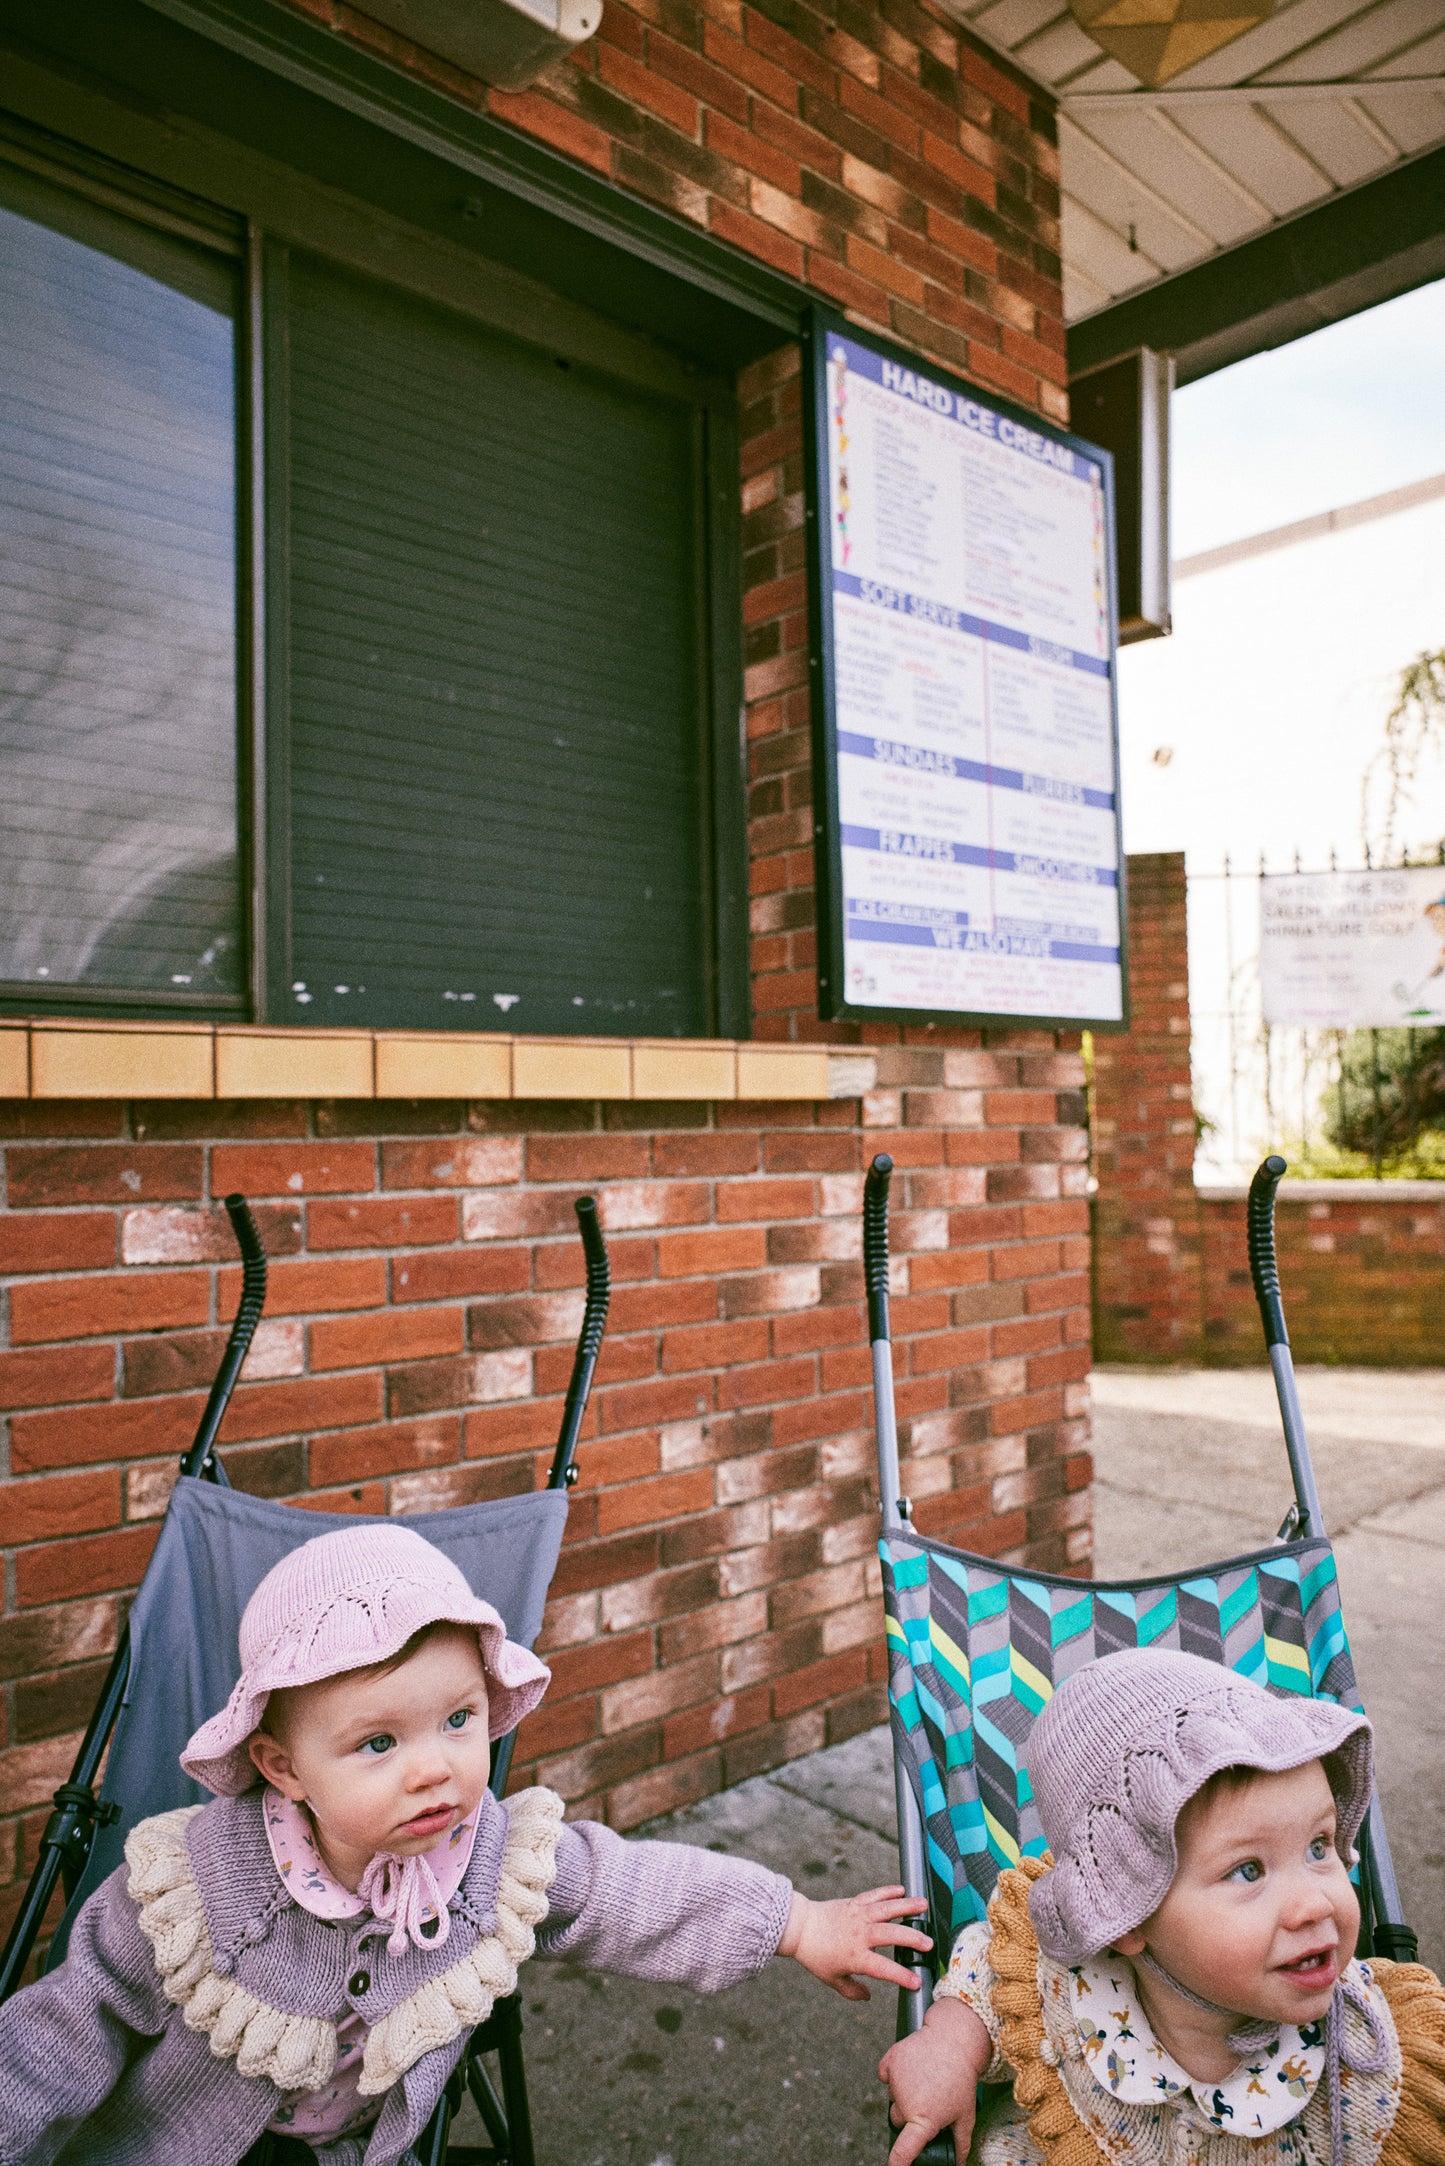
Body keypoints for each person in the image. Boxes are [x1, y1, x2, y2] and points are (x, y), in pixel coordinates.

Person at [0, 1522, 932, 2166]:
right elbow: (66, 2026)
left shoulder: (488, 1859)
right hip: (179, 2141)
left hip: (357, 2146)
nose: (436, 1770)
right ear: (283, 1769)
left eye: (458, 1720)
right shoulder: (200, 1885)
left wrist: (796, 1920)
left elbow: (631, 1891)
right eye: (378, 1742)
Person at [879, 1646, 1445, 2166]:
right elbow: (988, 1972)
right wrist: (948, 2047)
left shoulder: (1369, 2061)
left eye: (1319, 1847)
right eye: (1248, 1870)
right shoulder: (1057, 1986)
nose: (1315, 1903)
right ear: (1124, 1916)